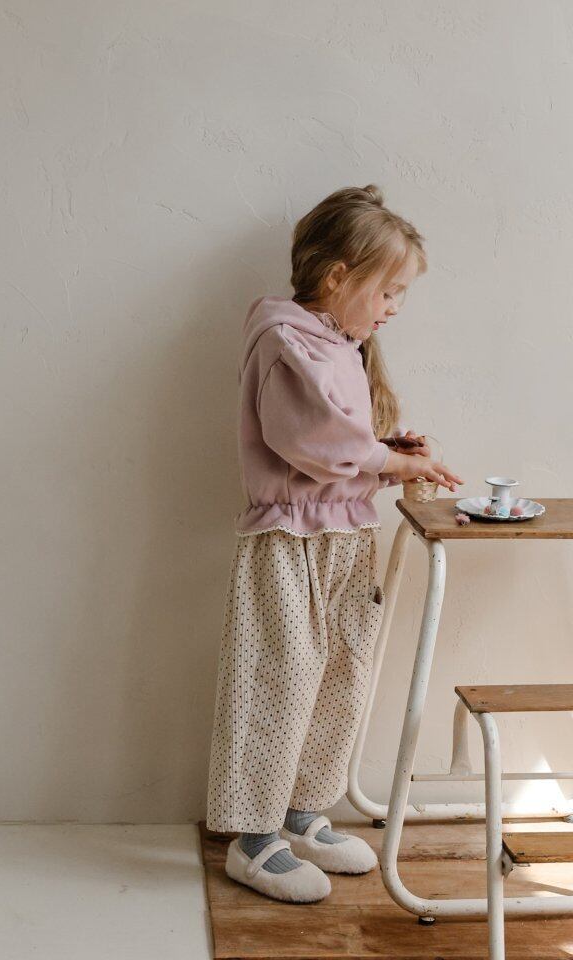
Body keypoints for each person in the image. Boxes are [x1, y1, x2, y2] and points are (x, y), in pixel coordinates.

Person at [205, 184, 464, 904]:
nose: (394, 308)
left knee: (341, 678)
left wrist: (388, 451)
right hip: (289, 543)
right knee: (280, 680)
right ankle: (254, 840)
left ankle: (302, 813)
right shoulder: (285, 338)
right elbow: (313, 440)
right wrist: (385, 461)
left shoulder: (342, 345)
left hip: (344, 538)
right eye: (389, 291)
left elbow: (340, 446)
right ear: (336, 276)